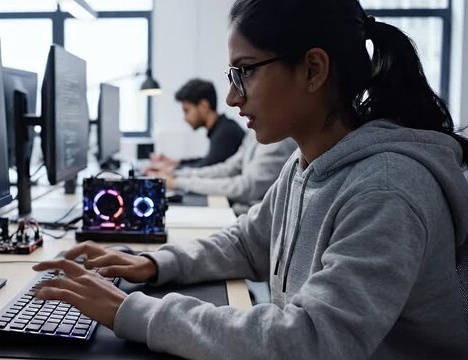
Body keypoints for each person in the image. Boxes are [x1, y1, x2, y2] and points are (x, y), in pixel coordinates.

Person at [32, 0, 468, 358]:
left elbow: (310, 341)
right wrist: (154, 264)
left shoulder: (386, 189)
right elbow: (247, 242)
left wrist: (132, 311)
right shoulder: (305, 164)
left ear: (313, 70)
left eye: (246, 71)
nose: (231, 97)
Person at [148, 133, 296, 215]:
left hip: (254, 218)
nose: (232, 101)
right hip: (243, 213)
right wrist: (177, 175)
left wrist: (178, 182)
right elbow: (227, 168)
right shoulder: (254, 134)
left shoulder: (278, 141)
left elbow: (245, 188)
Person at [149, 79, 245, 170]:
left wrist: (172, 169)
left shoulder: (225, 133)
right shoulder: (222, 127)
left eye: (187, 111)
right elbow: (207, 161)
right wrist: (176, 163)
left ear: (203, 106)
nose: (185, 118)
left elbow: (208, 169)